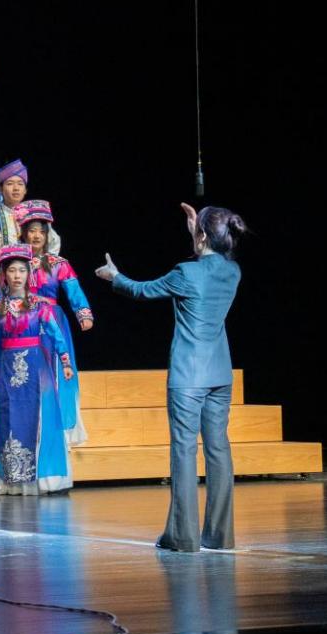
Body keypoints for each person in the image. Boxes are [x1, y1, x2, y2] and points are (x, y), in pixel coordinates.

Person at [96, 203, 246, 552]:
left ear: (203, 235)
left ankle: (183, 536)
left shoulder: (185, 272)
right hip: (219, 372)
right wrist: (198, 232)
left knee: (184, 450)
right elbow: (211, 259)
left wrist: (114, 276)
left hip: (188, 374)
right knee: (218, 449)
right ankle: (220, 535)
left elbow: (142, 290)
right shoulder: (232, 271)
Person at [0, 245, 72, 495]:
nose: (17, 275)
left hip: (35, 366)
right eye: (12, 270)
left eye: (22, 270)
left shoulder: (39, 305)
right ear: (4, 275)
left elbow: (55, 334)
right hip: (7, 369)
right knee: (10, 416)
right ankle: (14, 477)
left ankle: (44, 477)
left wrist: (65, 361)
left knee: (40, 415)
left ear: (28, 274)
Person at [16, 199, 92, 444]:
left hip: (52, 321)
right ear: (23, 233)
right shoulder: (15, 264)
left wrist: (83, 313)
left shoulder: (59, 264)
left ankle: (59, 430)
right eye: (32, 230)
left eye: (41, 231)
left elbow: (73, 289)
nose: (37, 235)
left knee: (56, 369)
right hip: (23, 320)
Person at [0, 160, 61, 253]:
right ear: (0, 189)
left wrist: (44, 260)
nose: (16, 188)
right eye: (10, 184)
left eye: (20, 184)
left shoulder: (36, 212)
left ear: (25, 190)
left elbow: (54, 242)